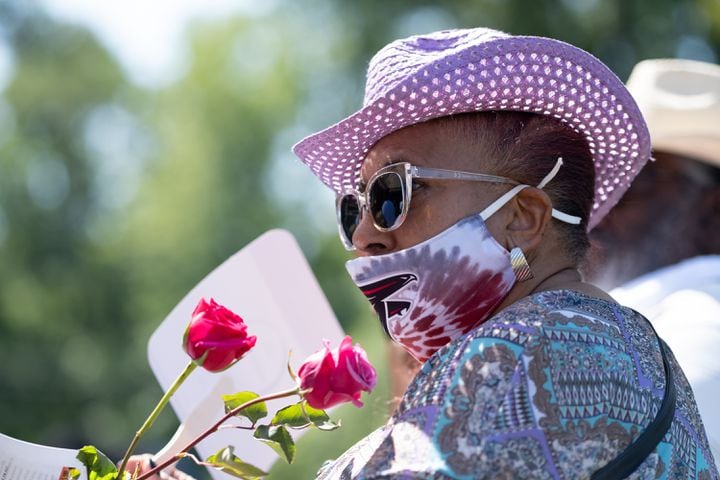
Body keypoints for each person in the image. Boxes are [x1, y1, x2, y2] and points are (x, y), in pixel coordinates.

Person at [290, 27, 717, 479]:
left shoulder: (513, 355)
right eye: (353, 209)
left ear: (522, 217)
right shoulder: (644, 352)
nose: (364, 237)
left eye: (392, 194)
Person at [585, 58, 720, 467]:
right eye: (596, 183)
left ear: (712, 211)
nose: (597, 207)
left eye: (630, 185)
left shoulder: (696, 325)